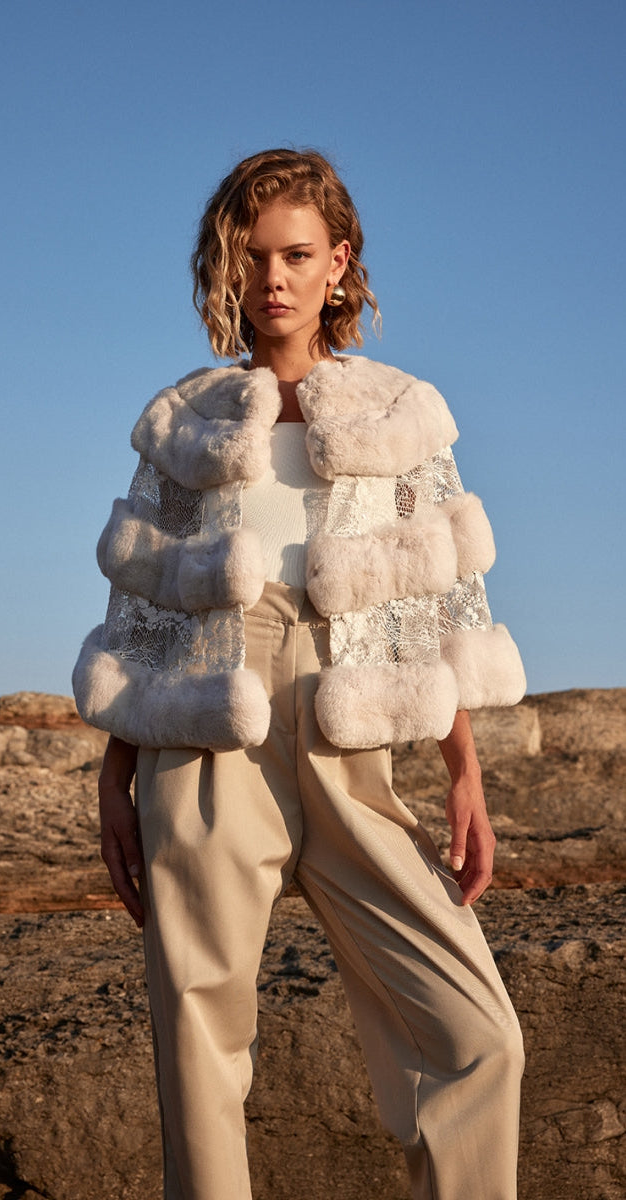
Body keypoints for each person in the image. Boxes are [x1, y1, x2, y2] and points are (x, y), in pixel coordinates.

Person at [73, 148, 527, 1200]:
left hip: (349, 732)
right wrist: (114, 770)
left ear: (340, 263)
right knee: (197, 1038)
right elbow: (146, 607)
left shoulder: (399, 410)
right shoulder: (186, 420)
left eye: (296, 254)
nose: (272, 277)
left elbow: (438, 603)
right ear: (225, 268)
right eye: (250, 255)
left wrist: (463, 770)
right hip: (207, 738)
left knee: (481, 1036)